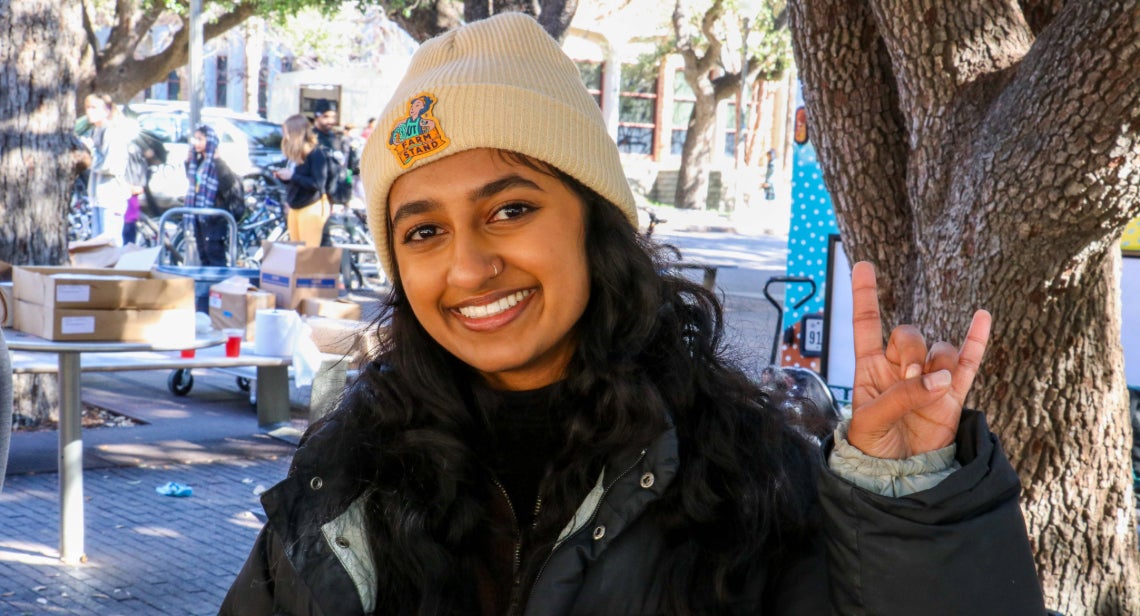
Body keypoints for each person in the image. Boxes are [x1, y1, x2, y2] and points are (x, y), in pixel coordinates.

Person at [221, 13, 1044, 615]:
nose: (469, 265)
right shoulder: (342, 490)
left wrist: (908, 504)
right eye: (425, 230)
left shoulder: (747, 478)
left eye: (510, 209)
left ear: (594, 222)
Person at [83, 94, 140, 246]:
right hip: (97, 197)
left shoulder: (113, 132)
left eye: (94, 108)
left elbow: (111, 165)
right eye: (88, 108)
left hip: (111, 196)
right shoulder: (95, 131)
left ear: (107, 110)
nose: (90, 112)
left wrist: (90, 151)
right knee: (97, 245)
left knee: (110, 244)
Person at [184, 124, 243, 266]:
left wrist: (218, 161)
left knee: (214, 255)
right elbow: (195, 182)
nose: (196, 143)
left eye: (200, 139)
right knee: (203, 254)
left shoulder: (217, 160)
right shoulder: (199, 161)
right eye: (195, 139)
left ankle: (219, 286)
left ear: (209, 141)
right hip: (199, 214)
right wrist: (188, 163)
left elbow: (226, 183)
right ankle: (208, 287)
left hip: (214, 216)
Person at [274, 114, 329, 247]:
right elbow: (298, 182)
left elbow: (318, 183)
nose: (285, 137)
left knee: (309, 254)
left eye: (286, 133)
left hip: (311, 207)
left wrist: (292, 176)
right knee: (297, 252)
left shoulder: (316, 154)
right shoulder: (294, 155)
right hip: (296, 207)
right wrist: (284, 178)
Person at [313, 99, 359, 205]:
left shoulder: (338, 139)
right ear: (317, 116)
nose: (330, 121)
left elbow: (349, 167)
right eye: (326, 116)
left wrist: (349, 182)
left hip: (339, 197)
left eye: (333, 117)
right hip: (317, 199)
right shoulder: (311, 139)